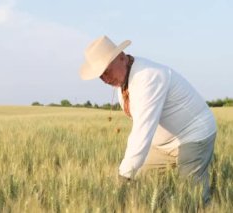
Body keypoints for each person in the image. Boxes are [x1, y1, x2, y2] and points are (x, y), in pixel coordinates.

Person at [79, 35, 217, 203]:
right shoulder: (123, 82)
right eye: (101, 76)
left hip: (193, 134)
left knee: (191, 197)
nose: (106, 79)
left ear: (121, 57)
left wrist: (123, 175)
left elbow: (142, 130)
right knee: (141, 185)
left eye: (107, 71)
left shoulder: (148, 77)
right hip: (161, 146)